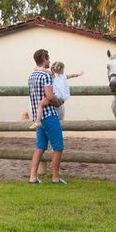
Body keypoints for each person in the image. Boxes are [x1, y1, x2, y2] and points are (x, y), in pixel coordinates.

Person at [28, 49, 66, 184]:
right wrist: (59, 102)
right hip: (49, 115)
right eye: (48, 58)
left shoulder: (32, 76)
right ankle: (55, 177)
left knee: (40, 146)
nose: (49, 61)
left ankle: (33, 177)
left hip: (38, 118)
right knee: (58, 146)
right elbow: (49, 96)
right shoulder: (45, 76)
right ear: (44, 59)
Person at [29, 61, 83, 127]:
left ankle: (37, 121)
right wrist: (78, 74)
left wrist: (37, 68)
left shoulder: (53, 75)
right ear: (62, 69)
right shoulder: (63, 76)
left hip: (55, 95)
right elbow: (71, 75)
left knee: (40, 104)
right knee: (57, 105)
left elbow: (42, 70)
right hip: (62, 97)